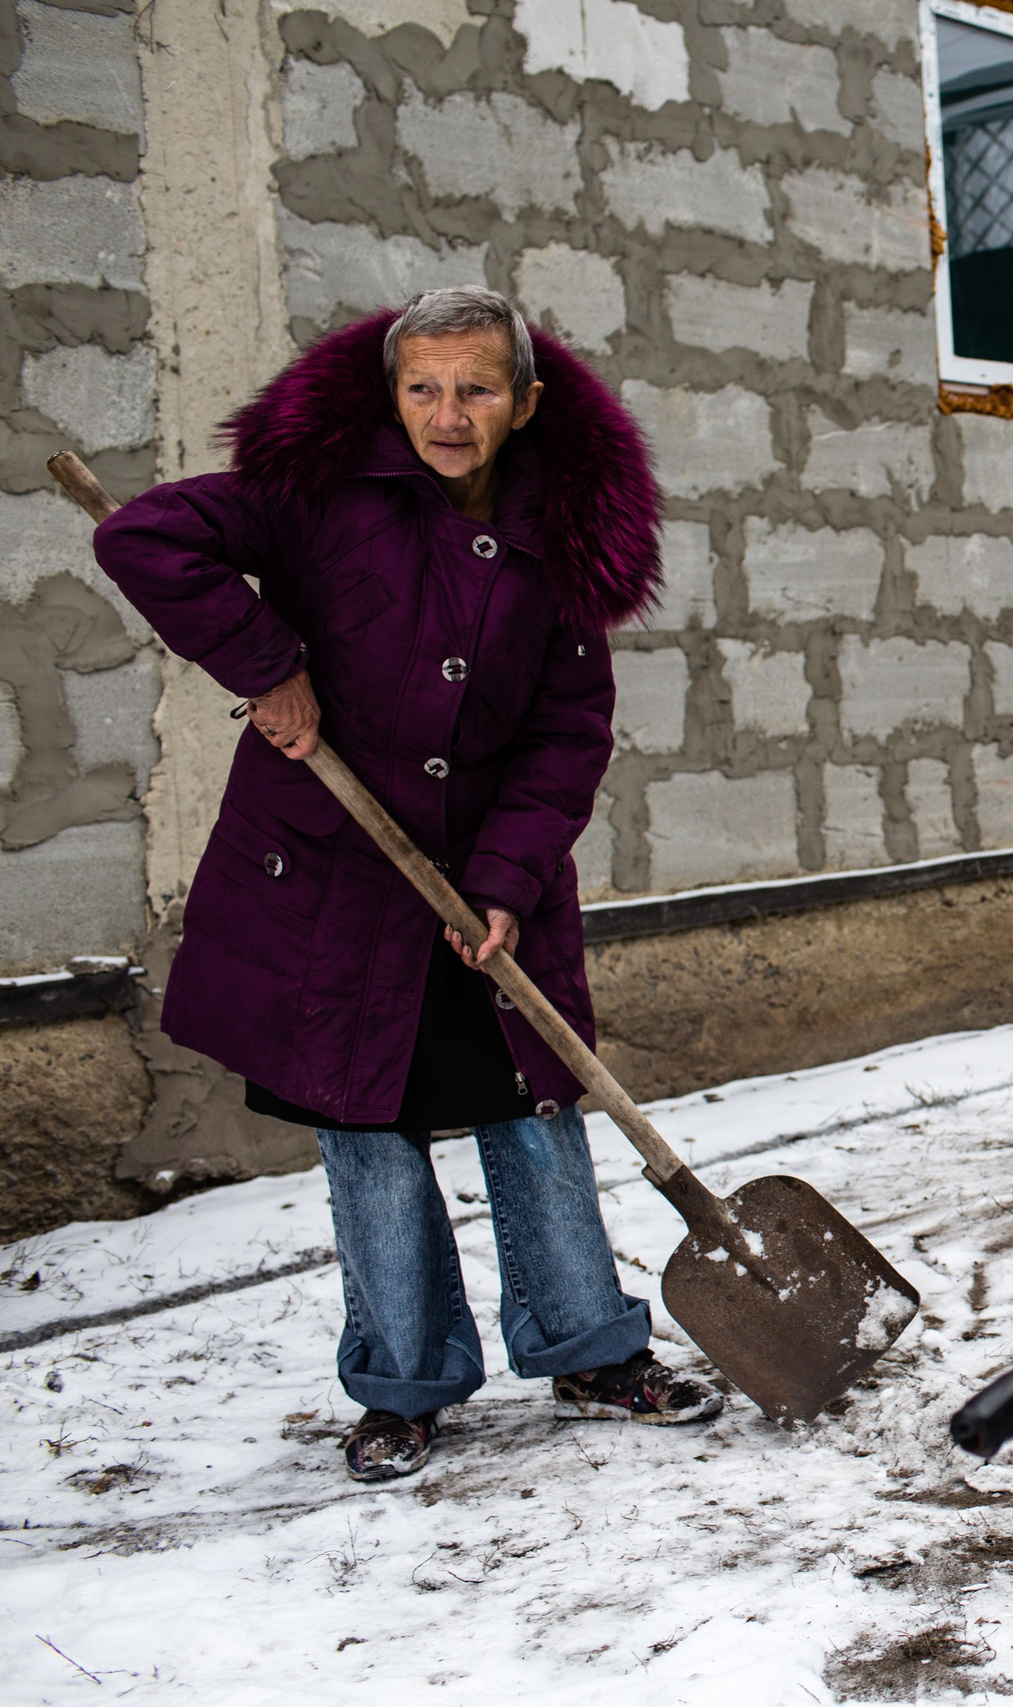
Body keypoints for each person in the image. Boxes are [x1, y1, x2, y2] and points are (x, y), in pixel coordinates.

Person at [92, 288, 721, 1481]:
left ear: (525, 403)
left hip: (487, 884)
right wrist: (267, 664)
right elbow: (143, 540)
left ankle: (589, 1353)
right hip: (337, 876)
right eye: (423, 387)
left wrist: (504, 881)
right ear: (391, 396)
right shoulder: (317, 495)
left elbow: (566, 730)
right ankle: (404, 1383)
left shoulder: (564, 536)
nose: (447, 413)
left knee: (534, 1116)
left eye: (476, 388)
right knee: (368, 1139)